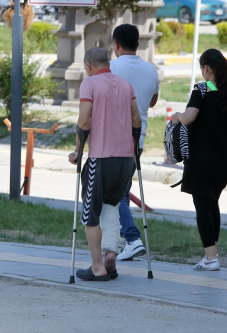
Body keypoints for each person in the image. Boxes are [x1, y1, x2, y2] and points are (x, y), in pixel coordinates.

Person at [170, 48, 227, 271]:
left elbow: (189, 117)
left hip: (200, 161)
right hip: (223, 164)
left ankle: (211, 258)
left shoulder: (202, 90)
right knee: (212, 202)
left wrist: (176, 117)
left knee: (203, 205)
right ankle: (212, 252)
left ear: (206, 68)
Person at [68, 47, 142, 281]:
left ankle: (97, 267)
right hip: (125, 160)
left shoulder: (89, 84)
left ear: (88, 66)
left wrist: (78, 152)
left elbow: (84, 119)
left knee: (91, 213)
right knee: (112, 207)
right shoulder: (125, 85)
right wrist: (134, 150)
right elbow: (136, 120)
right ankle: (111, 254)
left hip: (100, 159)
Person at [109, 24, 160, 261]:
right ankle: (123, 239)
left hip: (114, 139)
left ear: (115, 45)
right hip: (138, 139)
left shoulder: (112, 67)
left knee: (116, 192)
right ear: (138, 44)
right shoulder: (151, 69)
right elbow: (152, 102)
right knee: (123, 189)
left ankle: (131, 238)